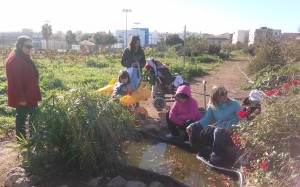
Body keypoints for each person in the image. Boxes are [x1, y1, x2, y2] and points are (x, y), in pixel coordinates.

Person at [186, 85, 242, 165]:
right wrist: (192, 125)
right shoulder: (213, 106)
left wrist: (233, 127)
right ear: (215, 96)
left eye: (225, 93)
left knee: (218, 131)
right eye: (222, 94)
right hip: (220, 129)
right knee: (197, 128)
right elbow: (206, 120)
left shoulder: (234, 104)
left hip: (233, 131)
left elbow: (242, 119)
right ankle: (204, 148)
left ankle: (218, 155)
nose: (225, 95)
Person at [5, 36, 41, 140]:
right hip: (24, 96)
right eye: (27, 46)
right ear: (20, 46)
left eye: (31, 46)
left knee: (33, 117)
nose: (30, 48)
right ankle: (22, 141)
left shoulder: (23, 57)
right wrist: (21, 99)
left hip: (30, 94)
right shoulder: (15, 60)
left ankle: (32, 139)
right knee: (21, 118)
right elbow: (15, 82)